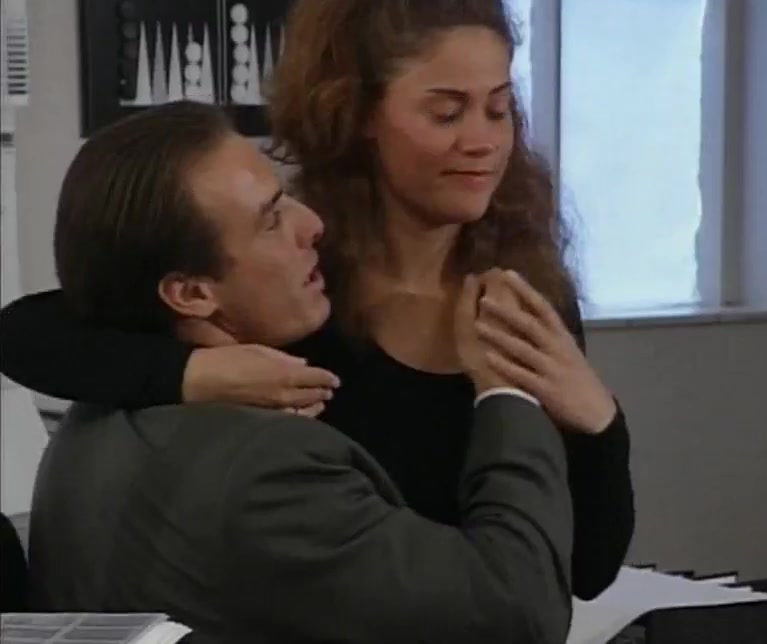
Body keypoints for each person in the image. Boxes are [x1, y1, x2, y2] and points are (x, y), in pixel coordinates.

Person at [0, 0, 633, 598]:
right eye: (446, 113)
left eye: (498, 109)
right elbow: (29, 332)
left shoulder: (527, 291)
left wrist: (599, 423)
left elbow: (583, 570)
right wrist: (193, 372)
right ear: (361, 115)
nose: (484, 141)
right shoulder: (296, 280)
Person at [29, 100, 575, 644]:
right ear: (192, 293)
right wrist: (509, 386)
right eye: (271, 220)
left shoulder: (87, 421)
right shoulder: (268, 476)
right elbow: (517, 611)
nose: (313, 226)